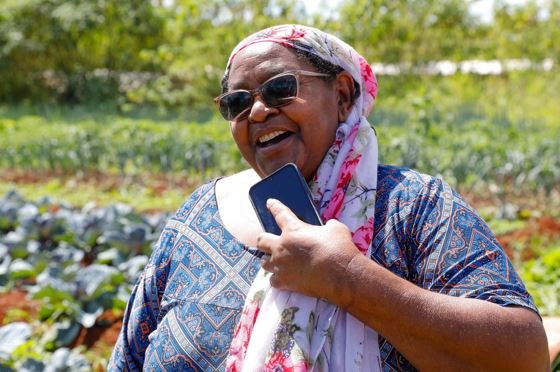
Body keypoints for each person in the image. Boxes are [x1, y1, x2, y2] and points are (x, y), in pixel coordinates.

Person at [108, 24, 549, 371]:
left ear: (341, 95)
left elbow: (522, 358)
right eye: (237, 102)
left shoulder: (413, 207)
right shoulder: (198, 218)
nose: (258, 111)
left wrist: (346, 278)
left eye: (280, 89)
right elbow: (128, 358)